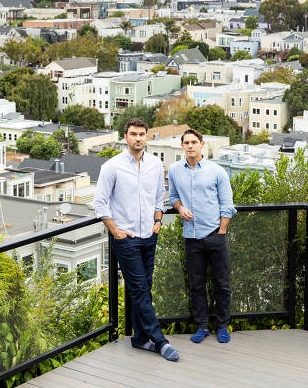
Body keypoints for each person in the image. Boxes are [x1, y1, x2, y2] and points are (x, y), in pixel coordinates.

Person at [93, 118, 179, 362]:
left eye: (142, 134)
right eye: (133, 134)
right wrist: (115, 231)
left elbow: (158, 197)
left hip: (149, 236)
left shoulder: (155, 165)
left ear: (147, 136)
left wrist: (158, 222)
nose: (138, 138)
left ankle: (140, 338)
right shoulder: (112, 167)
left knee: (144, 287)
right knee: (140, 288)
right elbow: (100, 203)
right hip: (126, 238)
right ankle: (160, 341)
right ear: (125, 137)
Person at [168, 128, 236, 344]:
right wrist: (180, 208)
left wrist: (221, 232)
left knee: (221, 284)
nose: (190, 146)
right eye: (186, 143)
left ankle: (222, 326)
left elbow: (227, 205)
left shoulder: (217, 171)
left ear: (202, 144)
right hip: (191, 237)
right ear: (182, 146)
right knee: (196, 285)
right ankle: (202, 326)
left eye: (194, 142)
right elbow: (173, 197)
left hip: (215, 235)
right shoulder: (174, 170)